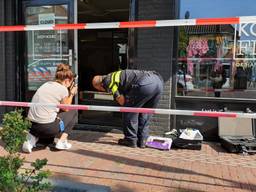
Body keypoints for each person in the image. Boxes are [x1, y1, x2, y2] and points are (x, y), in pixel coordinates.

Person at [92, 69, 164, 148]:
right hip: (158, 81)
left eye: (99, 89)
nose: (102, 91)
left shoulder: (107, 81)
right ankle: (142, 140)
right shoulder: (114, 75)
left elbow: (121, 100)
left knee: (129, 110)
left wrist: (120, 97)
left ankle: (130, 139)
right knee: (145, 113)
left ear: (99, 85)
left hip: (145, 83)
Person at [22, 63, 78, 153]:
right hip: (47, 128)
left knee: (50, 113)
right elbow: (66, 108)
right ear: (67, 81)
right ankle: (62, 141)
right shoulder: (63, 89)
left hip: (32, 126)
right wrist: (71, 93)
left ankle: (32, 139)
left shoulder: (46, 84)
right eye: (71, 82)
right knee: (74, 111)